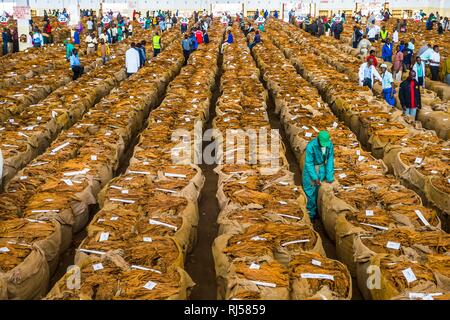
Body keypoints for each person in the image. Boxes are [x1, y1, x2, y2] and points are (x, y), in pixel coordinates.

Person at [302, 130, 334, 220]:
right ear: (318, 140)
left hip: (321, 169)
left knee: (318, 191)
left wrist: (329, 176)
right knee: (310, 193)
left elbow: (330, 160)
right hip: (311, 170)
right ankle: (311, 215)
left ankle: (317, 211)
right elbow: (309, 163)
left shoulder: (329, 145)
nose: (324, 145)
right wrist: (314, 177)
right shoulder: (311, 146)